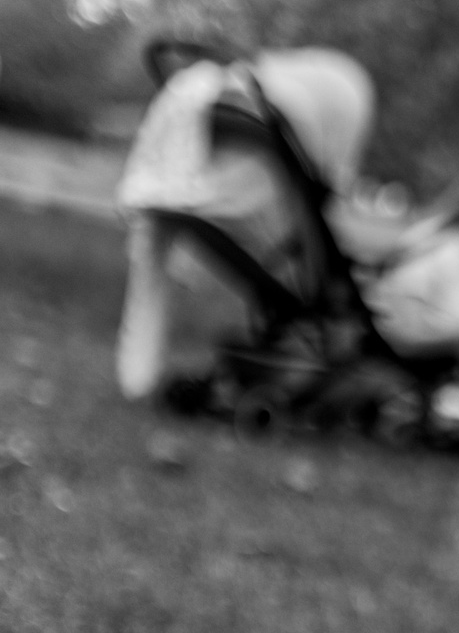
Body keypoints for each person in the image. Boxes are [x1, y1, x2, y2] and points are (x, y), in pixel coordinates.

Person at [114, 36, 375, 403]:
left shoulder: (235, 98)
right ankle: (140, 379)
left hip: (197, 172)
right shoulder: (276, 116)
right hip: (234, 174)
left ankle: (139, 377)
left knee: (157, 255)